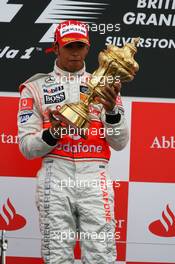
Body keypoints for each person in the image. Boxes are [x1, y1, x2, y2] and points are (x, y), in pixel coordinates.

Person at [18, 19, 129, 264]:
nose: (76, 52)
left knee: (101, 255)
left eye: (81, 46)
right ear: (56, 47)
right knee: (56, 256)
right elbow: (26, 147)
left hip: (94, 175)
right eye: (69, 46)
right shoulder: (35, 87)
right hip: (55, 176)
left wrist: (111, 112)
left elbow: (120, 142)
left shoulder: (105, 84)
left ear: (88, 48)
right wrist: (53, 134)